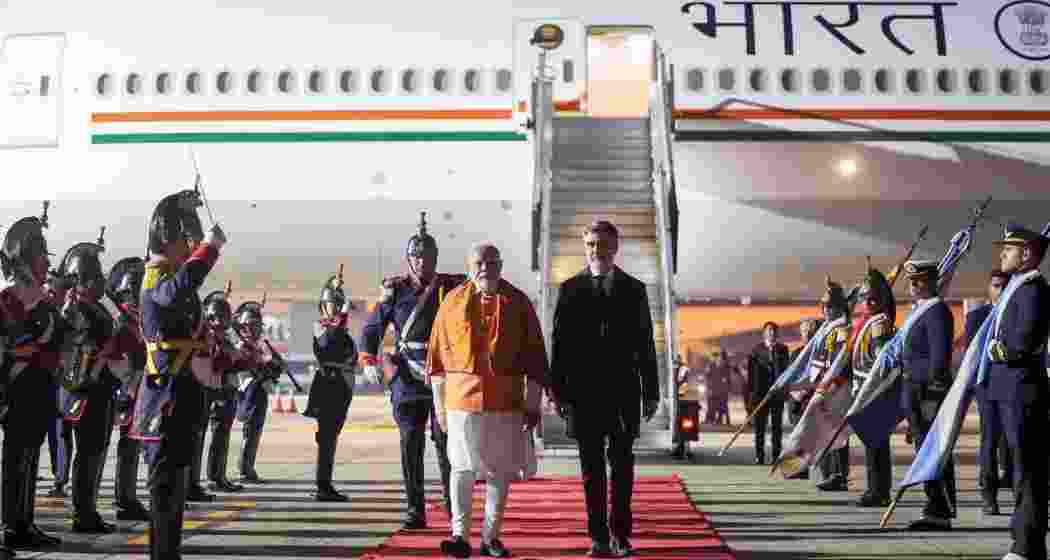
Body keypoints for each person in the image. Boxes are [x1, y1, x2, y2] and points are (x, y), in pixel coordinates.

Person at [427, 242, 549, 559]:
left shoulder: (519, 303)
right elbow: (437, 360)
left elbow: (535, 358)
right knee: (461, 469)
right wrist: (439, 408)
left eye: (492, 262)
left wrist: (533, 403)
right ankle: (459, 535)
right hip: (460, 402)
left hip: (505, 402)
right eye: (479, 262)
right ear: (470, 265)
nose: (485, 268)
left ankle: (491, 537)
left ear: (501, 265)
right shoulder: (451, 302)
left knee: (499, 472)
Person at [549, 220, 660, 559]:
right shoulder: (569, 289)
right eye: (591, 244)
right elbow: (560, 346)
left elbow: (646, 344)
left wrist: (651, 391)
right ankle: (598, 537)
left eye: (602, 244)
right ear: (586, 247)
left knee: (623, 468)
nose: (596, 250)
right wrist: (559, 393)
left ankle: (621, 536)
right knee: (591, 470)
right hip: (583, 396)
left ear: (615, 247)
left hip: (624, 393)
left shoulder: (635, 289)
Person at [132, 189, 226, 560]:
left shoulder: (172, 275)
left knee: (174, 489)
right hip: (164, 399)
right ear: (167, 238)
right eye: (186, 239)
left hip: (182, 394)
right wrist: (210, 250)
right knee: (164, 491)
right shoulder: (156, 277)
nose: (191, 246)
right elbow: (177, 290)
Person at [359, 212, 463, 529]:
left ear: (435, 258)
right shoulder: (395, 291)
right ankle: (415, 510)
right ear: (408, 259)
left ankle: (453, 506)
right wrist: (367, 360)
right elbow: (372, 329)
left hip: (443, 376)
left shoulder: (452, 287)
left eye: (427, 256)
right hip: (407, 377)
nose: (422, 262)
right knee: (410, 443)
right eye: (416, 257)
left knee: (447, 443)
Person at [983, 224, 1050, 560]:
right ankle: (1024, 541)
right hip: (1009, 388)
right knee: (1020, 469)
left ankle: (1028, 545)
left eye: (1009, 249)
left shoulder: (1033, 290)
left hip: (1022, 388)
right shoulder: (1017, 288)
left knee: (1029, 470)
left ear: (1027, 254)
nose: (1002, 254)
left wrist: (999, 349)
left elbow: (1024, 341)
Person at [0, 209, 64, 553]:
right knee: (15, 460)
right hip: (18, 389)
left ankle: (24, 522)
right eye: (41, 255)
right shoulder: (9, 297)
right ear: (25, 258)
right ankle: (10, 525)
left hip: (39, 388)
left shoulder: (41, 298)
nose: (45, 262)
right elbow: (11, 345)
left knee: (29, 458)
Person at [53, 236, 122, 533]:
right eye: (94, 276)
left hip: (101, 388)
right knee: (89, 451)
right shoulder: (79, 308)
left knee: (96, 449)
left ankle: (88, 510)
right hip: (86, 388)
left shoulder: (95, 306)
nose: (100, 281)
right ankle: (83, 514)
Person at [900, 259, 956, 531]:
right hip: (914, 391)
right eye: (911, 280)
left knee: (934, 451)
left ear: (933, 282)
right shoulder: (920, 312)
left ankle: (940, 509)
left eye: (919, 280)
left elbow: (939, 360)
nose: (913, 285)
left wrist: (932, 399)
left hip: (927, 393)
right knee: (924, 450)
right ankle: (934, 505)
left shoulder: (937, 312)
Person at [105, 256, 151, 521]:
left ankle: (128, 496)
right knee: (128, 446)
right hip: (128, 390)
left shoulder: (137, 318)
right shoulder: (123, 321)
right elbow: (115, 358)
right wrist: (131, 381)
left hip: (139, 388)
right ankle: (125, 500)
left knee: (133, 446)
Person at [305, 273, 358, 502]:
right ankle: (323, 486)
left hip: (341, 387)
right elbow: (330, 342)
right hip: (327, 387)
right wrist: (344, 315)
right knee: (326, 438)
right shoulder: (321, 326)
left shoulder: (341, 330)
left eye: (338, 304)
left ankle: (324, 483)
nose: (335, 308)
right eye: (331, 304)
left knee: (331, 437)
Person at [188, 288, 245, 500]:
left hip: (216, 387)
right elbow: (216, 361)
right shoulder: (206, 336)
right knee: (197, 437)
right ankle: (195, 482)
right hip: (204, 387)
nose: (221, 321)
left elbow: (235, 360)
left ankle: (213, 476)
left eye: (224, 317)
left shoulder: (223, 339)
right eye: (218, 317)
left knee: (215, 435)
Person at [849, 262, 896, 508]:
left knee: (876, 444)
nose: (867, 303)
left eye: (872, 298)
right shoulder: (869, 321)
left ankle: (879, 490)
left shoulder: (879, 323)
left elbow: (881, 359)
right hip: (863, 386)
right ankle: (874, 488)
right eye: (865, 298)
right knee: (871, 443)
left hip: (873, 389)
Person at [969, 269, 1012, 514]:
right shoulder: (978, 316)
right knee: (989, 442)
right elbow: (971, 356)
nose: (1000, 290)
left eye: (1004, 286)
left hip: (1011, 385)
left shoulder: (1015, 313)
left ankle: (1018, 490)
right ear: (989, 288)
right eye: (996, 286)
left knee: (1016, 441)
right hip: (987, 387)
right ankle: (989, 495)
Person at [233, 298, 281, 484]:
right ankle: (245, 469)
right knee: (250, 431)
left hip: (258, 391)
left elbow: (262, 366)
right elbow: (244, 371)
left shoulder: (257, 346)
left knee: (255, 431)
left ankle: (248, 466)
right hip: (248, 392)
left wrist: (272, 367)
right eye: (251, 325)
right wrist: (263, 371)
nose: (255, 329)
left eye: (257, 325)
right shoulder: (241, 347)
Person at [811, 277, 852, 492]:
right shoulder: (829, 328)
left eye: (830, 307)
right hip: (827, 384)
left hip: (838, 386)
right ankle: (831, 472)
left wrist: (833, 385)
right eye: (824, 306)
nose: (825, 310)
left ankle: (839, 474)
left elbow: (842, 361)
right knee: (828, 429)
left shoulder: (842, 328)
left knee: (838, 432)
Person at [747, 322, 790, 465]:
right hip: (760, 394)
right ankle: (759, 455)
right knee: (760, 427)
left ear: (776, 334)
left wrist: (784, 390)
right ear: (764, 333)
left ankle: (776, 455)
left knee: (777, 427)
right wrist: (751, 394)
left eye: (774, 331)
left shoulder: (783, 349)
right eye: (769, 330)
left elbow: (785, 370)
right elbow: (751, 374)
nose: (771, 333)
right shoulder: (756, 350)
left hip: (776, 394)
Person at [785, 318, 821, 480]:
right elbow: (790, 376)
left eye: (809, 331)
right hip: (795, 400)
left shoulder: (819, 353)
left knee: (806, 437)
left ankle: (802, 469)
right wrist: (793, 393)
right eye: (804, 331)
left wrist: (805, 391)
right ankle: (796, 469)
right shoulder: (796, 353)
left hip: (809, 399)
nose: (806, 334)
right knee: (796, 436)